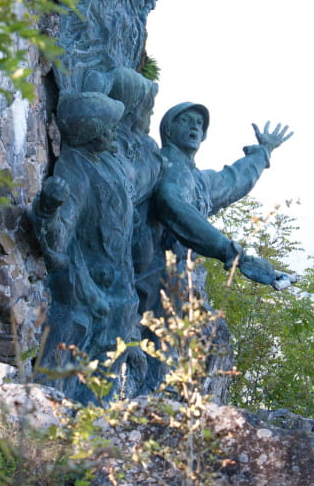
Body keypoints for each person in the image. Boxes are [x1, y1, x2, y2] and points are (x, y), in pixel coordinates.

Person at [31, 91, 145, 402]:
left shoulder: (109, 163)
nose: (114, 132)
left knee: (102, 386)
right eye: (109, 126)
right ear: (92, 133)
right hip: (85, 295)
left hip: (119, 297)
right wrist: (48, 209)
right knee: (61, 373)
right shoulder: (74, 169)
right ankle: (44, 433)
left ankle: (89, 440)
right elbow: (60, 237)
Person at [152, 102, 297, 289]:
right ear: (169, 130)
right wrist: (236, 255)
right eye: (185, 120)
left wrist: (263, 151)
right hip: (151, 276)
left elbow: (233, 180)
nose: (194, 126)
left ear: (204, 135)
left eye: (198, 123)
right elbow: (174, 205)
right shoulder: (167, 167)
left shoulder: (198, 179)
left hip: (175, 277)